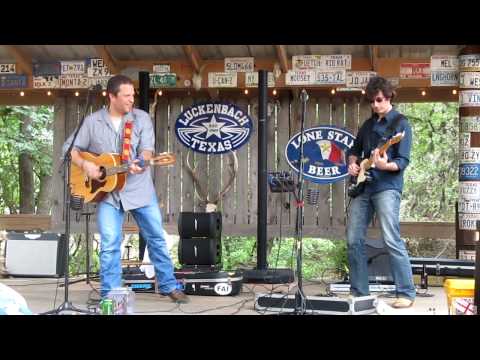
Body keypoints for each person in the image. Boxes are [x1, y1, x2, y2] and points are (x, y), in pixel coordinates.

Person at [63, 75, 189, 303]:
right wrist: (86, 164)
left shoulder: (140, 119)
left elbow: (148, 151)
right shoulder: (92, 122)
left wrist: (143, 161)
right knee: (110, 243)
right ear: (111, 96)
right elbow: (70, 149)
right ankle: (110, 295)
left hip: (139, 190)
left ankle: (169, 285)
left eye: (133, 95)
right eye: (127, 95)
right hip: (108, 193)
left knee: (156, 238)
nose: (132, 99)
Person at [346, 76, 415, 308]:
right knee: (354, 239)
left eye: (378, 100)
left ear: (389, 97)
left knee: (391, 239)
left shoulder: (400, 125)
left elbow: (402, 162)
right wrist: (353, 164)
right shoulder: (367, 125)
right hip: (363, 187)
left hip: (387, 187)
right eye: (372, 101)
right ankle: (359, 293)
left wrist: (385, 165)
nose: (375, 105)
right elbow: (354, 150)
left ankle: (405, 293)